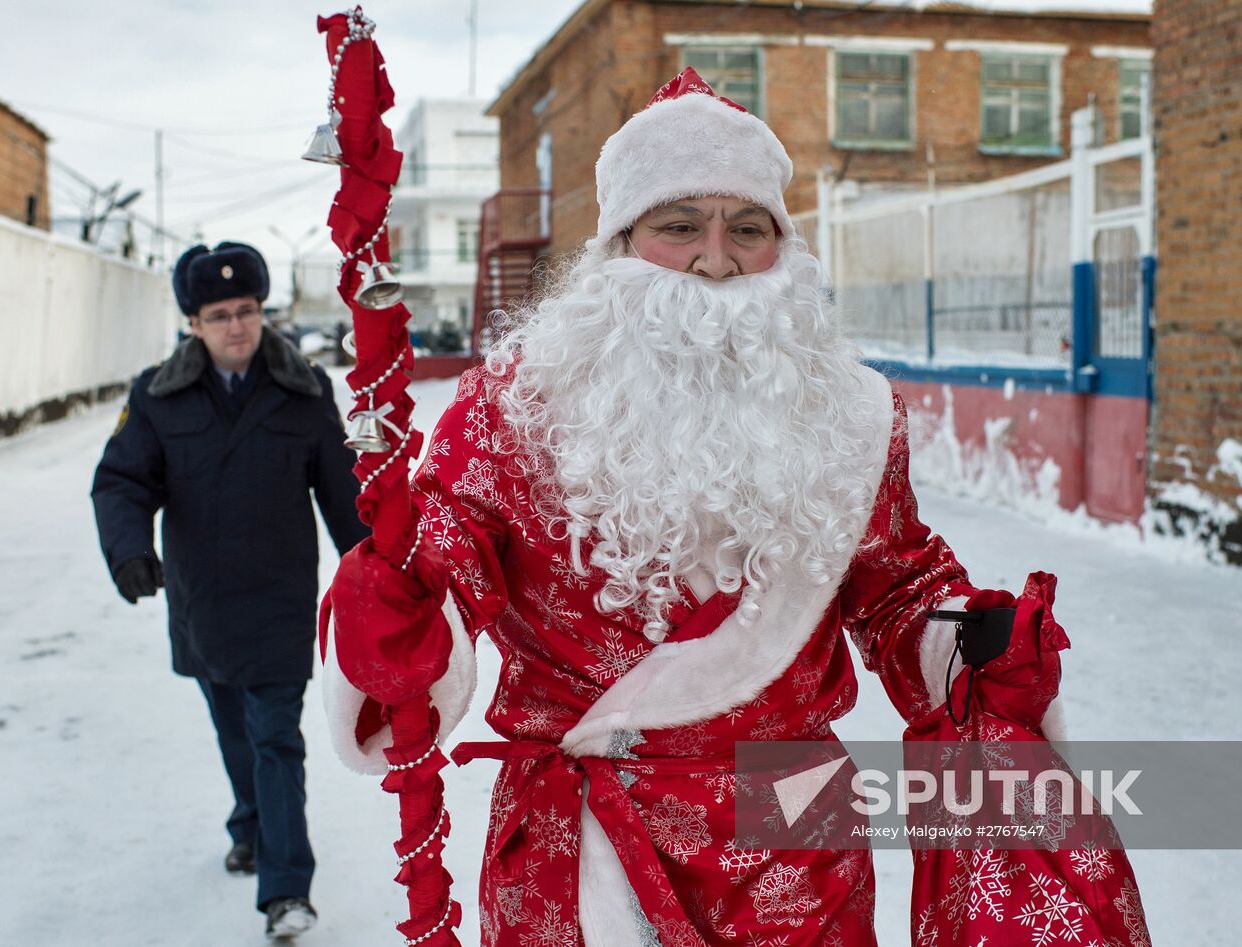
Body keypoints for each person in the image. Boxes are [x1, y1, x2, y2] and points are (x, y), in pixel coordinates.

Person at [323, 69, 1150, 945]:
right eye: (680, 225)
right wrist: (398, 605)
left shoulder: (853, 416)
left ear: (781, 249)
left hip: (794, 848)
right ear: (620, 243)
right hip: (581, 851)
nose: (715, 259)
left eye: (746, 229)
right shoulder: (514, 405)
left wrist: (963, 640)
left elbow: (895, 586)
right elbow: (444, 556)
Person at [92, 242, 369, 940]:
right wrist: (129, 551)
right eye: (219, 315)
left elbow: (343, 495)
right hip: (202, 602)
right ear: (193, 323)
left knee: (275, 736)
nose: (237, 325)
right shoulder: (157, 395)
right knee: (234, 730)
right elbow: (122, 481)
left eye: (246, 310)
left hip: (278, 600)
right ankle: (250, 823)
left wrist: (376, 572)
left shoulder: (304, 389)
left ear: (262, 311)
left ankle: (286, 888)